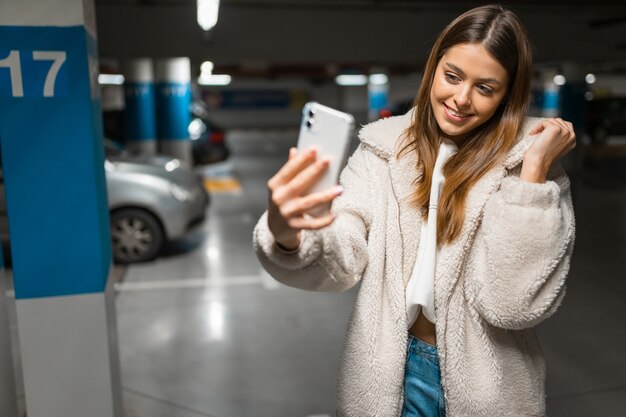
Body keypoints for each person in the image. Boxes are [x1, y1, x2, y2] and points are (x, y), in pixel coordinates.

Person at [253, 4, 576, 417]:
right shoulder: (382, 151)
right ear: (434, 68)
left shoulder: (534, 171)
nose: (460, 99)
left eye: (485, 87)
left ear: (508, 95)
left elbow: (513, 305)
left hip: (490, 389)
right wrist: (289, 234)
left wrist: (531, 177)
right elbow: (343, 257)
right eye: (452, 76)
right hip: (393, 374)